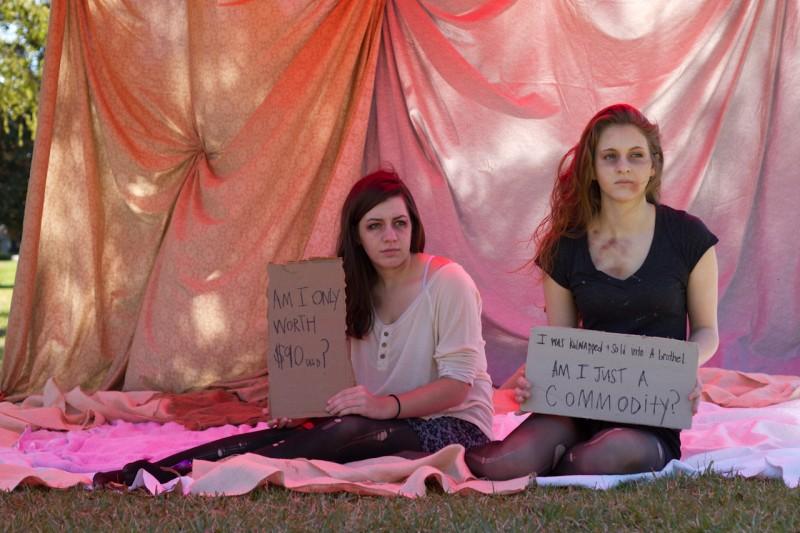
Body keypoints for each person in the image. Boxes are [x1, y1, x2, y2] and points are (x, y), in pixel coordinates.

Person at [94, 169, 494, 487]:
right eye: (375, 226)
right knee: (286, 434)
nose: (390, 236)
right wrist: (307, 404)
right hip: (383, 420)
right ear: (356, 235)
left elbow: (457, 385)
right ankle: (160, 470)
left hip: (453, 426)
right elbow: (341, 379)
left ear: (413, 227)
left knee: (342, 434)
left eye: (399, 223)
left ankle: (201, 477)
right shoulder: (346, 290)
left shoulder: (447, 282)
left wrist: (382, 405)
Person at [465, 104, 719, 480]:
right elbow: (562, 341)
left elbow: (706, 330)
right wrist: (538, 377)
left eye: (636, 156)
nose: (624, 167)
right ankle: (426, 451)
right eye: (610, 157)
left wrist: (682, 370)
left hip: (649, 410)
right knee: (503, 464)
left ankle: (562, 459)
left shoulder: (689, 237)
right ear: (593, 170)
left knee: (596, 461)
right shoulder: (565, 247)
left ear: (654, 165)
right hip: (579, 401)